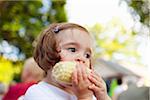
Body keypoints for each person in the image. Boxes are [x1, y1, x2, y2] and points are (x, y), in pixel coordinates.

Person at [24, 23, 111, 100]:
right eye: (72, 49)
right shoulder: (37, 92)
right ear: (48, 54)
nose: (82, 58)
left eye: (87, 55)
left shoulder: (88, 93)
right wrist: (84, 97)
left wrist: (103, 96)